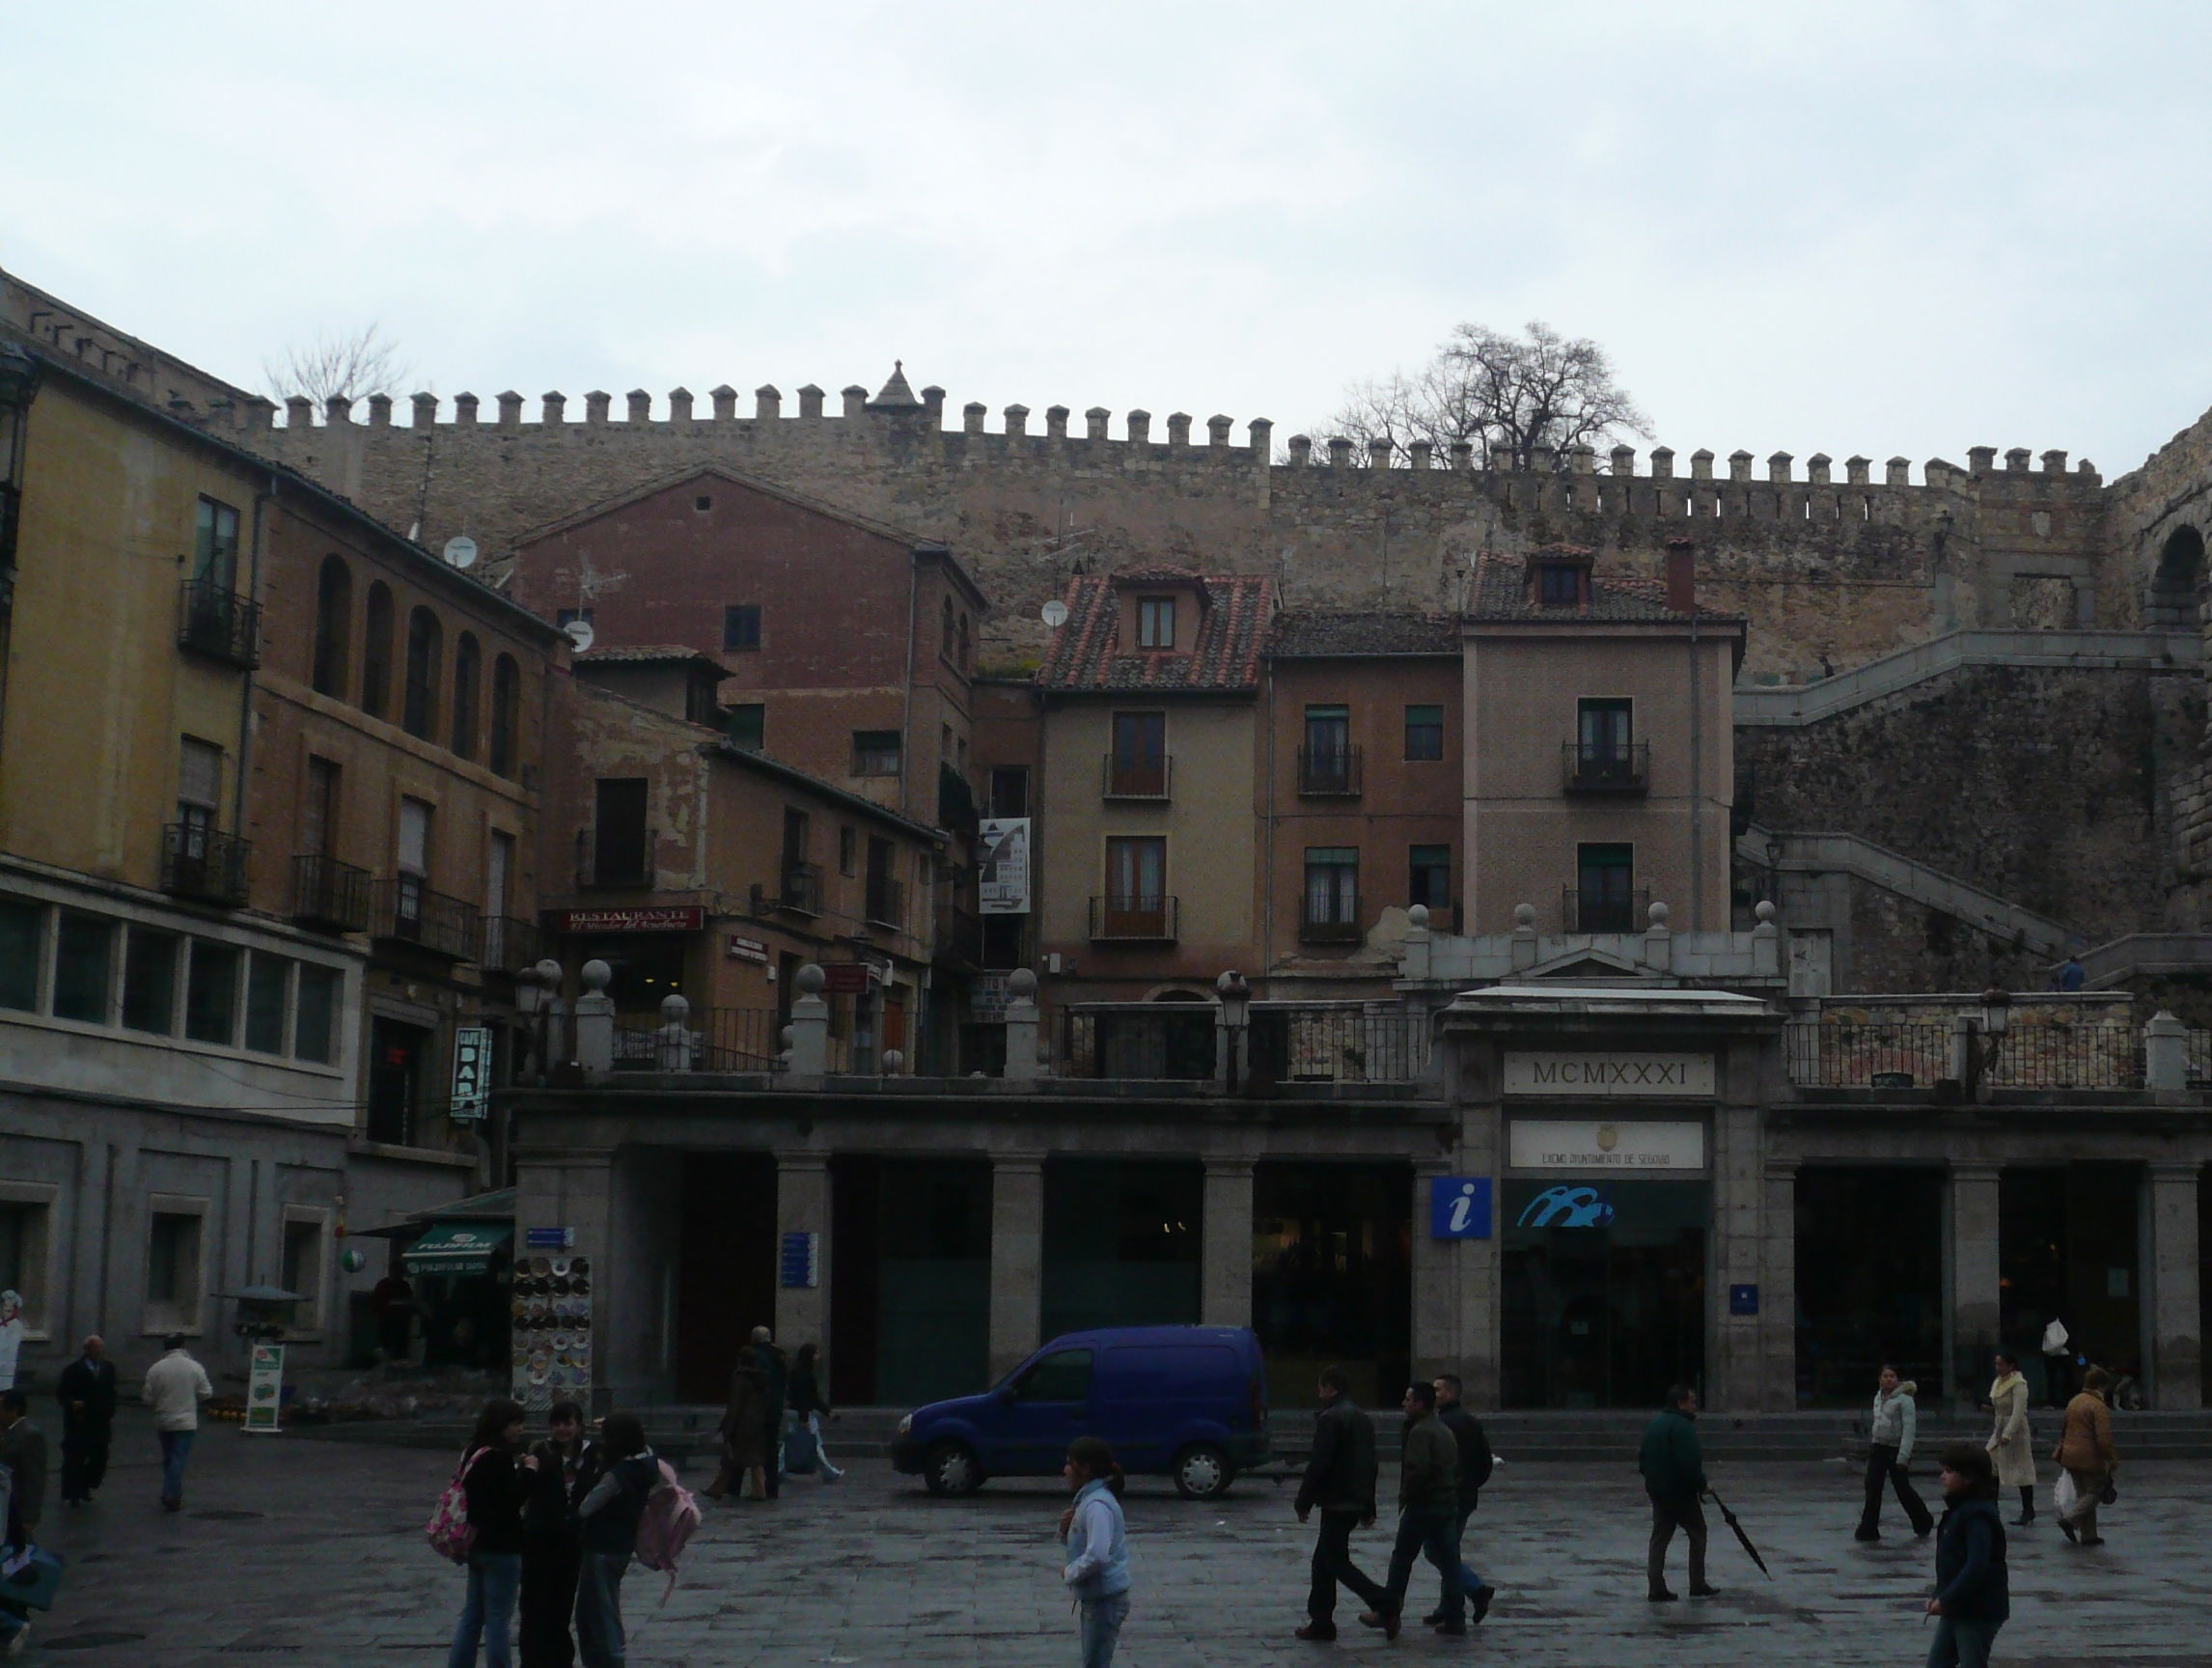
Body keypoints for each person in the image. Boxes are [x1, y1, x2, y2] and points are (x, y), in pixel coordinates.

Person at [1354, 1381, 1462, 1639]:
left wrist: (1406, 1495)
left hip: (1424, 1505)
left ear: (1419, 1404)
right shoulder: (1444, 1430)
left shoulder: (1420, 1432)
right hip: (1446, 1503)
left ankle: (1389, 1612)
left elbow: (1417, 1470)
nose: (1404, 1404)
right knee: (1450, 1564)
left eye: (1408, 1399)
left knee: (1402, 1559)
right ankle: (1456, 1617)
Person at [1292, 1365, 1379, 1642]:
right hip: (1353, 1499)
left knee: (1334, 1562)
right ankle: (1321, 1621)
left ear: (1331, 1388)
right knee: (1324, 1561)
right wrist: (1368, 1504)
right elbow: (1370, 1465)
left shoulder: (1331, 1418)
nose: (1318, 1394)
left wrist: (1303, 1500)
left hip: (1336, 1499)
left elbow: (1320, 1464)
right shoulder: (1361, 1418)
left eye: (1320, 1388)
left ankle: (1385, 1603)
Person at [447, 1398, 536, 1668]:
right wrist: (530, 1472)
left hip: (476, 1542)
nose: (520, 1429)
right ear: (501, 1425)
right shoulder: (497, 1458)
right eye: (515, 1423)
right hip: (502, 1547)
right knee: (498, 1619)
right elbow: (510, 1499)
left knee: (473, 1614)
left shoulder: (473, 1452)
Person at [575, 1410, 658, 1668]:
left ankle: (611, 1660)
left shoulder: (620, 1473)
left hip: (602, 1546)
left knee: (601, 1610)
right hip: (622, 1544)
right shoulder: (647, 1463)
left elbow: (586, 1507)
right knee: (593, 1608)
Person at [519, 1400, 594, 1668]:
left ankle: (560, 1659)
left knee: (562, 1603)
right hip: (539, 1536)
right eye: (557, 1423)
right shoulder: (540, 1451)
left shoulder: (590, 1454)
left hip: (571, 1540)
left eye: (568, 1423)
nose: (562, 1429)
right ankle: (532, 1659)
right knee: (534, 1602)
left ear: (578, 1425)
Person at [1925, 1442, 2009, 1668]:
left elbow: (1976, 1565)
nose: (1943, 1476)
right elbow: (1953, 1563)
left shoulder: (1977, 1516)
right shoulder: (1961, 1510)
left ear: (1969, 1477)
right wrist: (1940, 1595)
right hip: (1958, 1605)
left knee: (1972, 1662)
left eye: (1949, 1471)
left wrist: (1946, 1598)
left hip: (1977, 1609)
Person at [1430, 1374, 1498, 1627]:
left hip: (1450, 1497)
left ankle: (1475, 1588)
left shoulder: (1445, 1423)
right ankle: (1448, 1605)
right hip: (1466, 1495)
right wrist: (1472, 1485)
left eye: (1437, 1390)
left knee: (1438, 1551)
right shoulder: (1469, 1421)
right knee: (1449, 1549)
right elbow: (1484, 1461)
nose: (1433, 1394)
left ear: (1451, 1393)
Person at [1640, 1384, 1717, 1601]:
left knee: (1660, 1536)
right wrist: (1702, 1485)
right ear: (1680, 1403)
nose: (1695, 1406)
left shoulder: (1656, 1424)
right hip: (1679, 1493)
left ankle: (1655, 1585)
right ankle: (1697, 1582)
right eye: (1692, 1401)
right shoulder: (1683, 1427)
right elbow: (1689, 1463)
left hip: (1657, 1490)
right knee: (1698, 1532)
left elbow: (1643, 1458)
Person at [1060, 1435, 1131, 1668]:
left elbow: (1098, 1554)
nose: (1065, 1470)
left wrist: (1070, 1573)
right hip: (1098, 1598)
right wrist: (1066, 1532)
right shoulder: (1089, 1501)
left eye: (1070, 1464)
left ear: (1086, 1468)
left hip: (1104, 1601)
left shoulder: (1096, 1505)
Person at [1857, 1365, 1934, 1542]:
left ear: (1898, 1379)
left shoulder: (1905, 1400)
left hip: (1896, 1448)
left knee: (1902, 1489)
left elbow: (1909, 1429)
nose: (1889, 1379)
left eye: (1892, 1376)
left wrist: (1903, 1456)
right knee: (1872, 1486)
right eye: (1885, 1376)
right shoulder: (1878, 1397)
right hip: (1878, 1446)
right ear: (1880, 1379)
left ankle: (1923, 1520)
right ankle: (1868, 1528)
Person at [0, 1388, 48, 1654]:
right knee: (9, 1565)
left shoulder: (30, 1435)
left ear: (13, 1409)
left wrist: (30, 1518)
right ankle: (14, 1616)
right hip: (4, 1513)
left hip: (15, 1516)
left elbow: (34, 1479)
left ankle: (17, 1618)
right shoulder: (7, 1433)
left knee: (15, 1563)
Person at [142, 1332, 212, 1511]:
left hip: (164, 1420)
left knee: (168, 1458)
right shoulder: (195, 1367)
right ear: (183, 1346)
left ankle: (171, 1491)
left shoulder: (156, 1368)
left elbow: (147, 1398)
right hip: (186, 1422)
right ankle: (172, 1493)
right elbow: (206, 1393)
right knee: (178, 1458)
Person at [2053, 1365, 2118, 1546]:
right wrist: (2112, 1458)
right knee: (2096, 1492)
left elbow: (2064, 1429)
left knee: (2084, 1494)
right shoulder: (2098, 1406)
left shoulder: (2074, 1401)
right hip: (2089, 1457)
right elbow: (2103, 1438)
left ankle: (2089, 1536)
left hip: (2070, 1455)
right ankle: (2070, 1519)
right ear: (2101, 1385)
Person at [56, 1334, 119, 1506]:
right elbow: (62, 1394)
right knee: (75, 1457)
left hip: (101, 1420)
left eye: (100, 1347)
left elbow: (111, 1391)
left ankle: (87, 1484)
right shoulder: (73, 1369)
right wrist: (72, 1403)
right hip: (79, 1421)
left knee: (100, 1456)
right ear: (87, 1349)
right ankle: (73, 1492)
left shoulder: (108, 1368)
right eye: (95, 1347)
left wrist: (111, 1408)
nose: (98, 1351)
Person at [707, 1348, 769, 1501]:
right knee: (755, 1458)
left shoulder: (740, 1378)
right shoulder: (762, 1378)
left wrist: (727, 1427)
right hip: (757, 1422)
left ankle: (718, 1488)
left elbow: (735, 1405)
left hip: (742, 1423)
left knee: (731, 1457)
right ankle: (758, 1489)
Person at [1985, 1352, 2036, 1526]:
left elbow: (2018, 1412)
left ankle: (2028, 1510)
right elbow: (1998, 1406)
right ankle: (1992, 1508)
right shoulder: (1998, 1382)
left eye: (2000, 1364)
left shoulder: (2019, 1385)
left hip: (2016, 1431)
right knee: (1991, 1463)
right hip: (1999, 1427)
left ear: (2011, 1365)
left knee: (2022, 1469)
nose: (1997, 1367)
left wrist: (2008, 1433)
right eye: (1996, 1364)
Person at [784, 1343, 843, 1484]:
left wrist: (827, 1412)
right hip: (802, 1413)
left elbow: (811, 1397)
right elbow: (805, 1396)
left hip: (797, 1412)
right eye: (816, 1353)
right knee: (814, 1443)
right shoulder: (803, 1373)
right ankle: (829, 1472)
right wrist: (805, 1416)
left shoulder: (800, 1371)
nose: (818, 1356)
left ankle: (778, 1470)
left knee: (791, 1443)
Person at [749, 1326, 789, 1500]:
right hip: (775, 1407)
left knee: (757, 1447)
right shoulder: (779, 1355)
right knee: (771, 1446)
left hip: (759, 1406)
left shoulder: (755, 1355)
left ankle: (759, 1488)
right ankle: (772, 1487)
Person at [0, 1293, 22, 1392]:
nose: (6, 1311)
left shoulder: (16, 1325)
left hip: (6, 1362)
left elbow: (12, 1346)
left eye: (10, 1309)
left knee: (5, 1387)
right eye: (5, 1307)